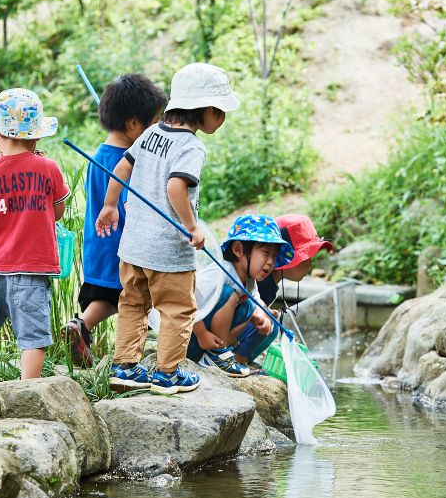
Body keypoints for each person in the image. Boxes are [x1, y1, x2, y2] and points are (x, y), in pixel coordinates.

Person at [96, 63, 239, 394]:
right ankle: (168, 374)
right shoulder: (190, 146)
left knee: (132, 304)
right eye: (220, 111)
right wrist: (193, 227)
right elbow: (177, 187)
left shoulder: (149, 133)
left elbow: (121, 168)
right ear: (205, 109)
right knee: (177, 309)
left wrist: (109, 206)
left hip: (133, 247)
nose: (222, 118)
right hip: (168, 251)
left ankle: (125, 367)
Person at [0, 88, 69, 379]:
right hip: (31, 268)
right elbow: (57, 212)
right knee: (33, 339)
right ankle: (28, 394)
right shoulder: (49, 168)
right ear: (37, 137)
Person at [61, 74, 168, 366]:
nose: (158, 128)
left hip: (99, 245)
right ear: (134, 125)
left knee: (106, 298)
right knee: (132, 298)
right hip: (121, 247)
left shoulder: (99, 155)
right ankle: (119, 344)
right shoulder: (126, 163)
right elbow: (130, 206)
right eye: (155, 121)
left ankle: (80, 326)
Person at [185, 214, 294, 377]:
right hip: (191, 338)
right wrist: (202, 334)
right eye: (266, 253)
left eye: (274, 255)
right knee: (230, 294)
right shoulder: (221, 271)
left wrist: (262, 317)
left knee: (250, 306)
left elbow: (257, 301)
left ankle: (218, 356)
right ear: (238, 250)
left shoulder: (249, 281)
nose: (271, 262)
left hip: (206, 344)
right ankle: (217, 356)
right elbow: (186, 300)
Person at [233, 214, 332, 365]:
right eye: (307, 257)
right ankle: (236, 358)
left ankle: (244, 359)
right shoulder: (261, 282)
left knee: (271, 323)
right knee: (268, 320)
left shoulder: (269, 282)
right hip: (221, 335)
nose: (310, 264)